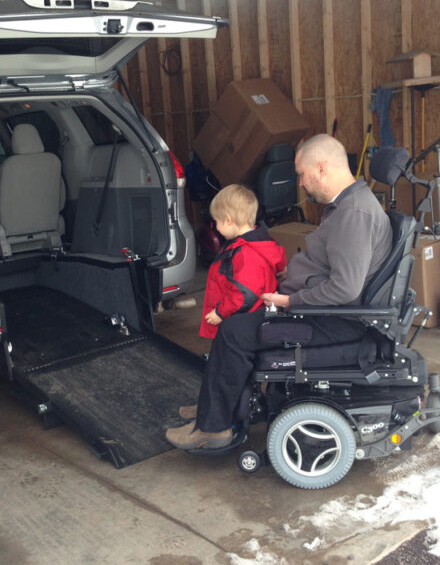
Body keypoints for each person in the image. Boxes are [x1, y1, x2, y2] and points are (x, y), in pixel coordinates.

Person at [165, 134, 393, 450]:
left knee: (233, 331)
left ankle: (213, 427)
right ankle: (213, 407)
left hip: (331, 320)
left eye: (302, 174)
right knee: (239, 324)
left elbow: (346, 287)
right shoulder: (345, 206)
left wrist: (290, 300)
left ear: (322, 167)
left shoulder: (354, 213)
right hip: (319, 310)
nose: (300, 184)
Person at [174, 184, 287, 421]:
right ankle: (207, 405)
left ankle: (220, 413)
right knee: (215, 362)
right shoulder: (250, 245)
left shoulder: (246, 253)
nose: (214, 226)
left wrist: (220, 312)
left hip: (241, 321)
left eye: (215, 221)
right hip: (243, 320)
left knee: (226, 367)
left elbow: (243, 294)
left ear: (227, 220)